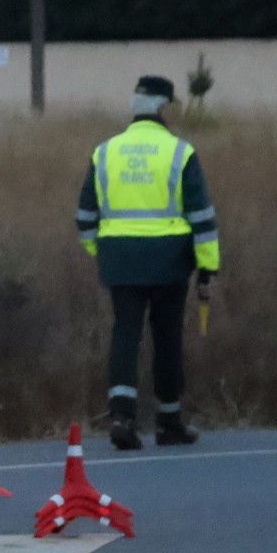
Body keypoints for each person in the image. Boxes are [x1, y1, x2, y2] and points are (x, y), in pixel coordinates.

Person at [77, 75, 221, 451]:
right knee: (166, 336)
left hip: (119, 258)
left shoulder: (104, 152)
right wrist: (207, 268)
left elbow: (85, 218)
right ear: (163, 108)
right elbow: (202, 217)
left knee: (125, 332)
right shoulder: (180, 153)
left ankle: (122, 417)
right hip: (169, 259)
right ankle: (168, 421)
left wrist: (104, 251)